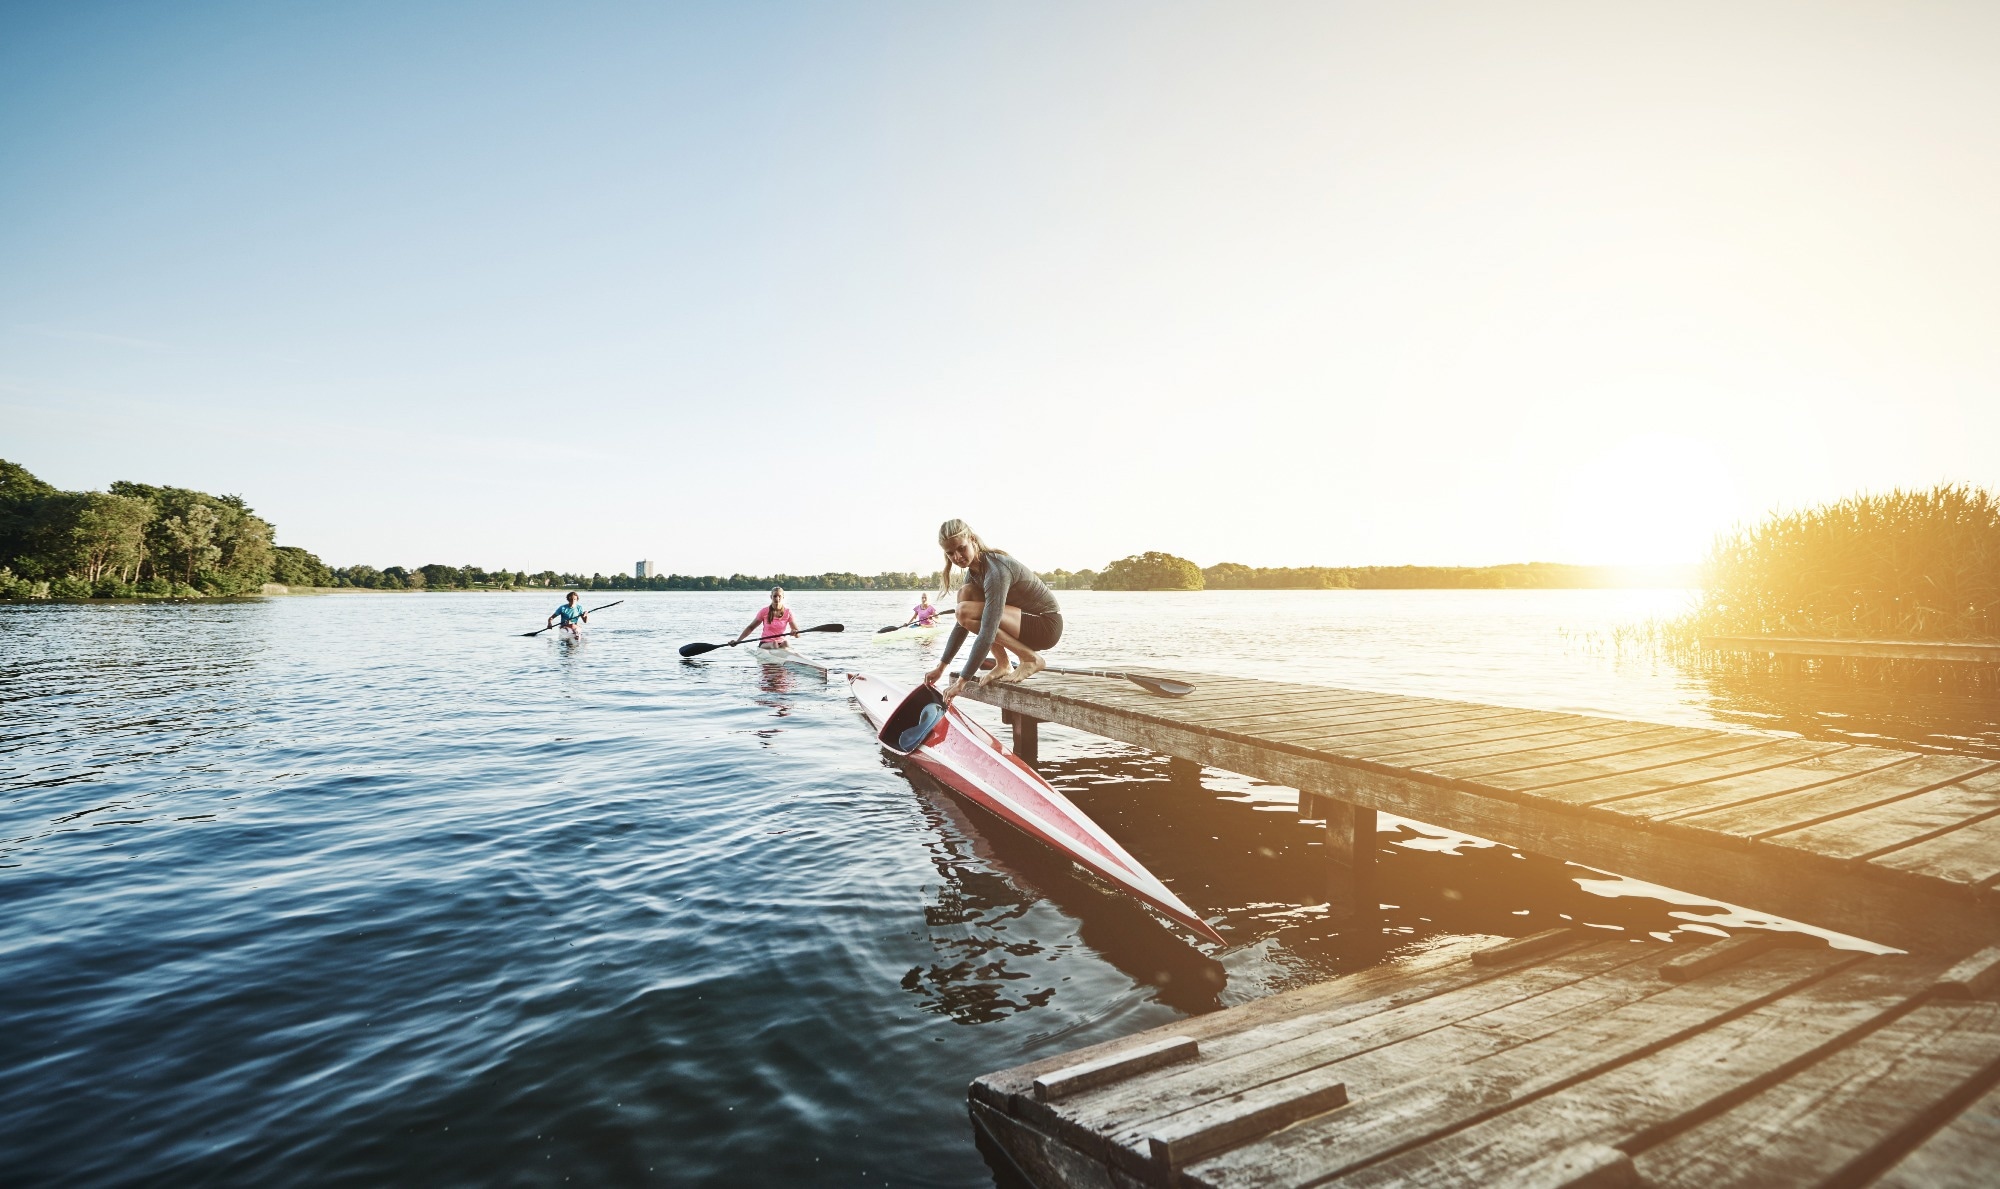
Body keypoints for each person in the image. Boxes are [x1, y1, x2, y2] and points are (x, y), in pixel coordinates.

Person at [924, 519, 1062, 704]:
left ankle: (1031, 659)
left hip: (1045, 626)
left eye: (961, 549)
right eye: (950, 553)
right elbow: (962, 624)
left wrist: (962, 681)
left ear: (972, 539)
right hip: (1020, 624)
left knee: (965, 610)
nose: (957, 557)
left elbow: (987, 630)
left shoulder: (996, 570)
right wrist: (940, 668)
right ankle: (1003, 664)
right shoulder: (973, 572)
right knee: (966, 594)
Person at [734, 587, 799, 651]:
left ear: (783, 597)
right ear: (771, 597)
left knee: (786, 643)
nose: (777, 598)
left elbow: (797, 635)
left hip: (781, 643)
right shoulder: (764, 611)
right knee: (774, 644)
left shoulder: (788, 612)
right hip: (765, 643)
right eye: (775, 596)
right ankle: (776, 649)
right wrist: (738, 641)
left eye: (779, 596)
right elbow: (751, 627)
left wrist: (795, 632)